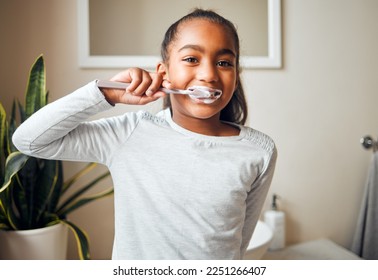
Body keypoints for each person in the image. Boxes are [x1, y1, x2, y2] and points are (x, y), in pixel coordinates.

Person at [13, 9, 277, 260]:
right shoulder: (129, 133)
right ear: (164, 74)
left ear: (235, 74)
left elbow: (239, 243)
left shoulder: (259, 150)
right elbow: (29, 140)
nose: (208, 74)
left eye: (223, 62)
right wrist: (105, 94)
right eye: (191, 59)